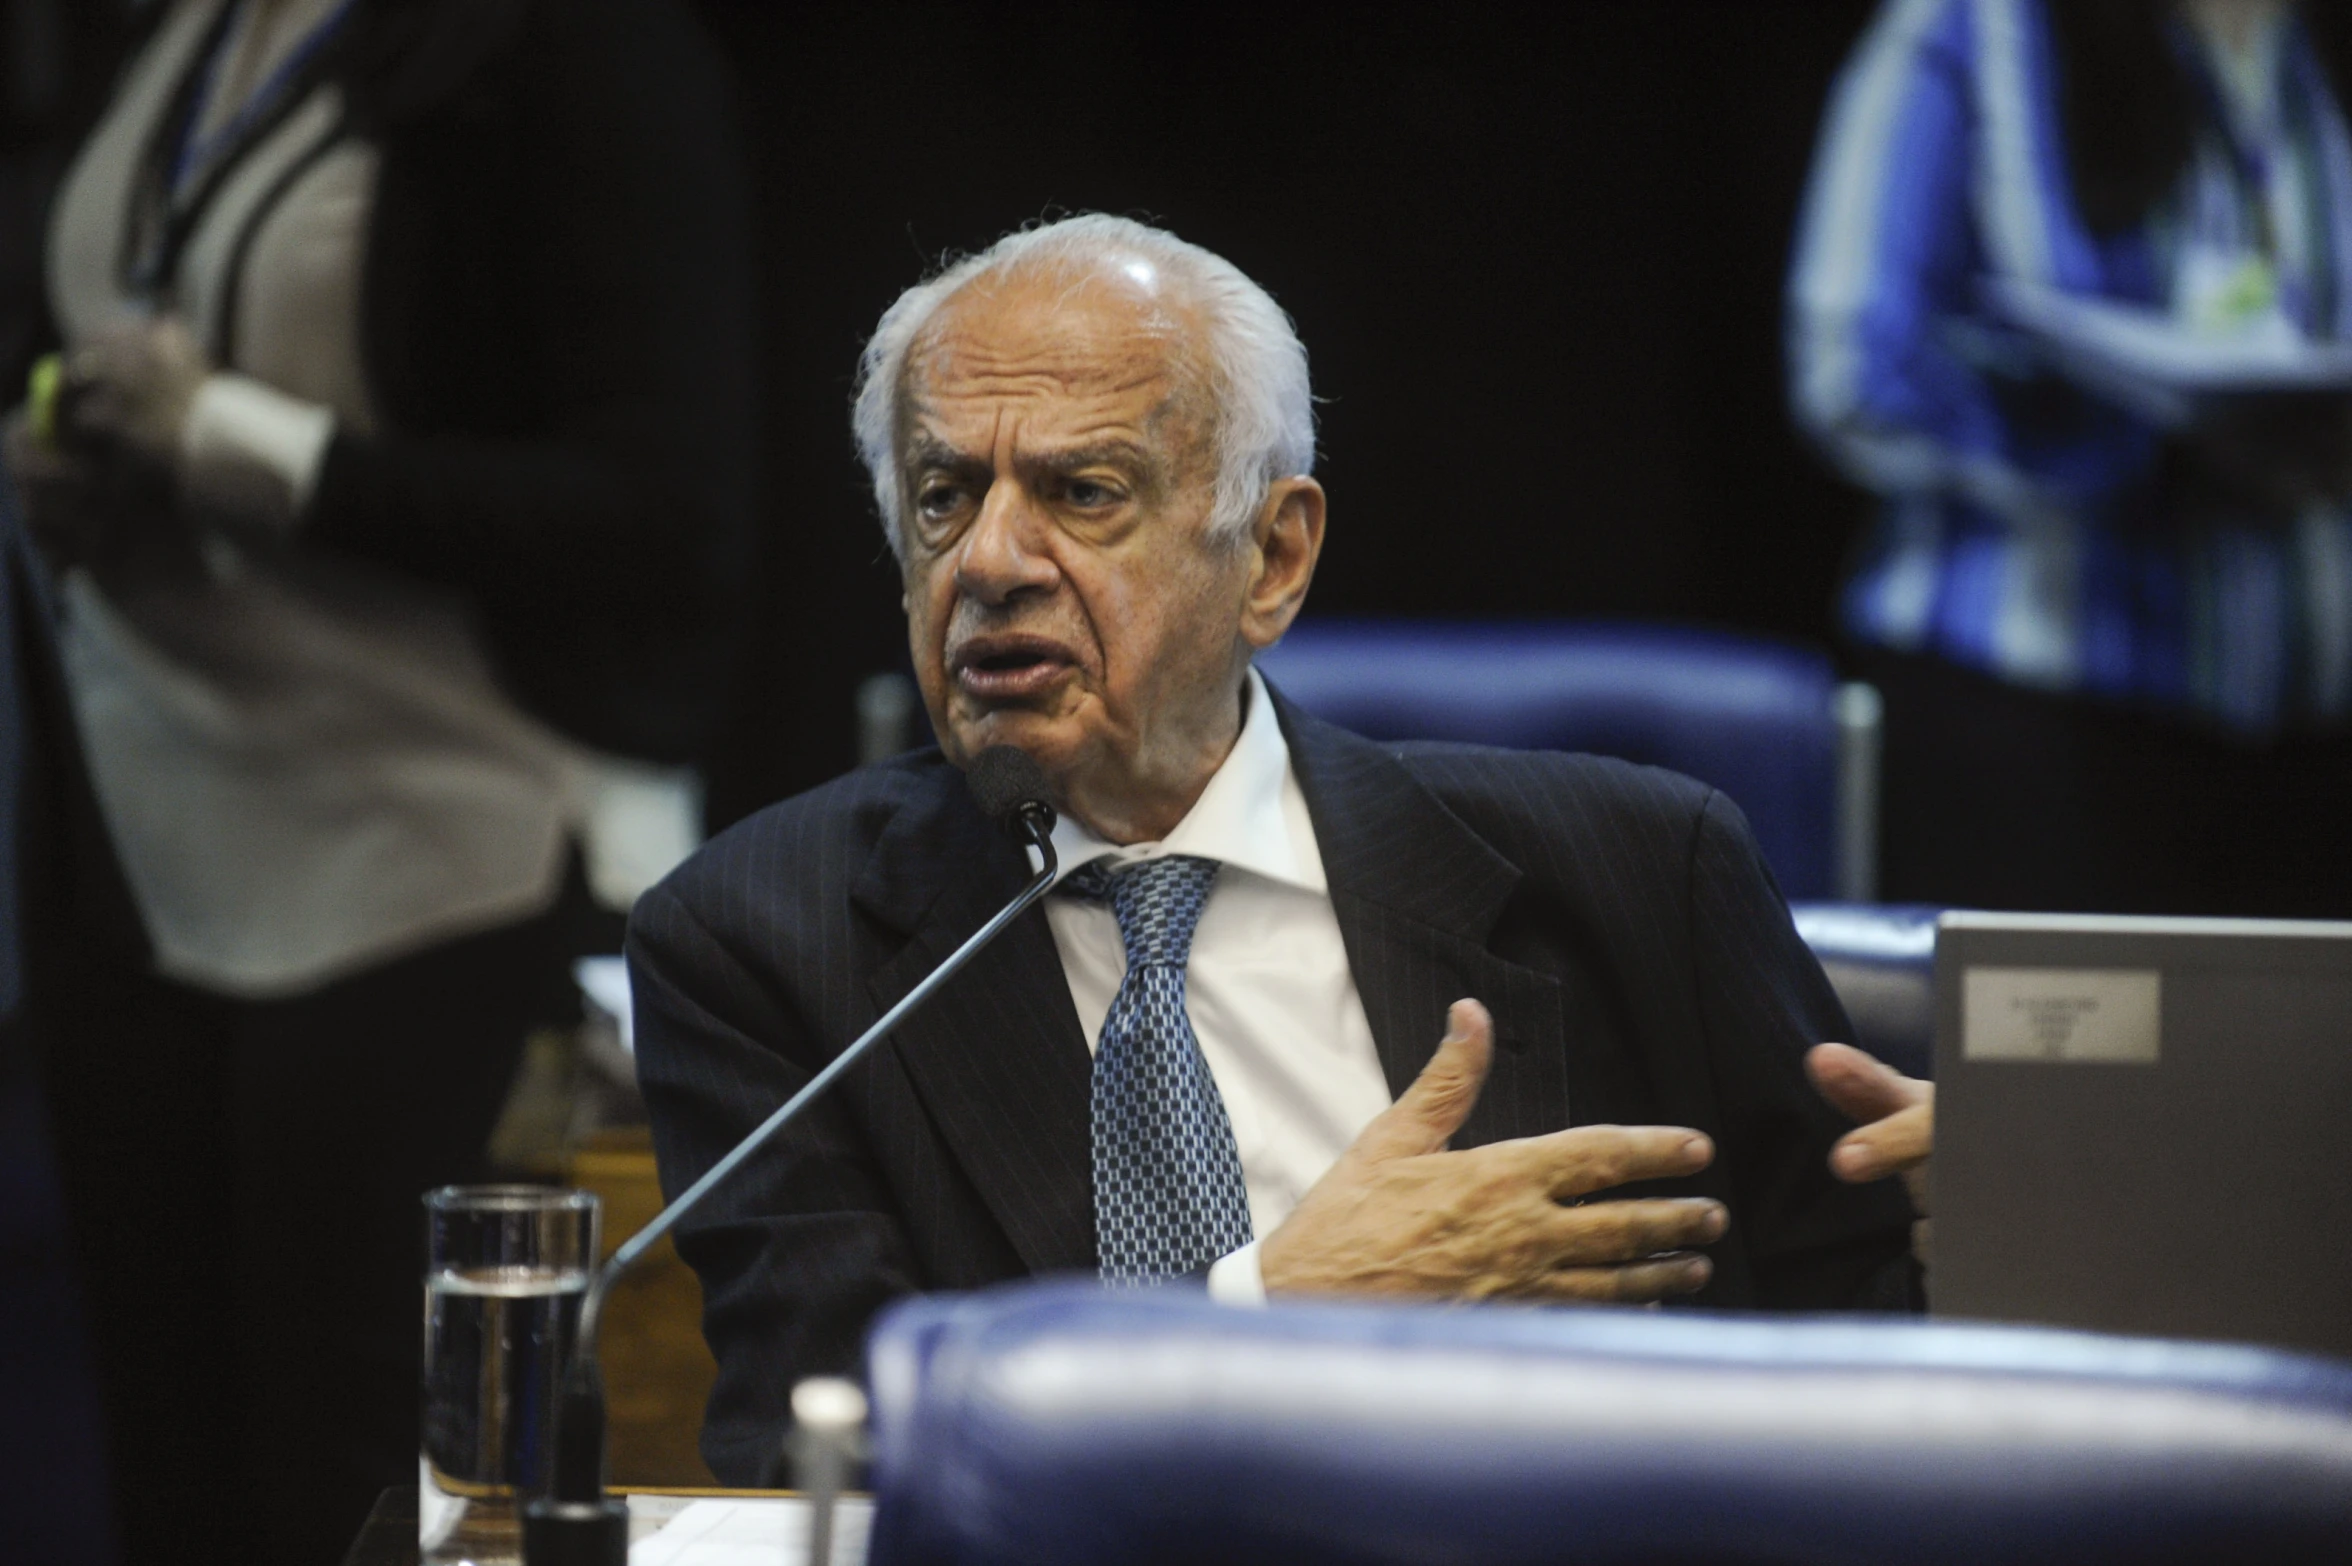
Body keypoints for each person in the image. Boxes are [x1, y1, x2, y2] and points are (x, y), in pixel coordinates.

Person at [631, 214, 1920, 1485]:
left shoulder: (1641, 870)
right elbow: (818, 1449)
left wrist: (2027, 1216)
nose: (990, 562)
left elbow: (1884, 1346)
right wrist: (1273, 1305)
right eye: (942, 498)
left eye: (1083, 494)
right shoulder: (762, 940)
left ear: (1273, 557)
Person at [5, 2, 755, 1562]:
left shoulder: (571, 48)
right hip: (143, 856)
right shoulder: (171, 25)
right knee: (177, 1488)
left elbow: (664, 512)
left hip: (440, 863)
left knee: (369, 1496)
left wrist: (230, 435)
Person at [1789, 0, 2352, 917]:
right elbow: (1853, 369)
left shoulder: (2316, 51)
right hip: (2039, 718)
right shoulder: (1976, 31)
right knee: (2049, 1061)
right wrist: (2122, 435)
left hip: (2309, 739)